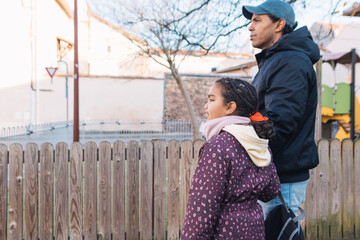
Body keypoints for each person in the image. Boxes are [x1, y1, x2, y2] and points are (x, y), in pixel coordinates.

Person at [242, 0, 320, 218]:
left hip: (280, 179)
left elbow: (278, 125)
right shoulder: (277, 60)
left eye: (257, 20)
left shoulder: (290, 62)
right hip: (273, 174)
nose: (250, 26)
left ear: (279, 25)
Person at [181, 78, 280, 239]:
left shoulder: (217, 147)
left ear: (230, 107)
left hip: (224, 232)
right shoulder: (259, 141)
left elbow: (201, 210)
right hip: (254, 231)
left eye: (212, 99)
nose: (206, 105)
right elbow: (271, 191)